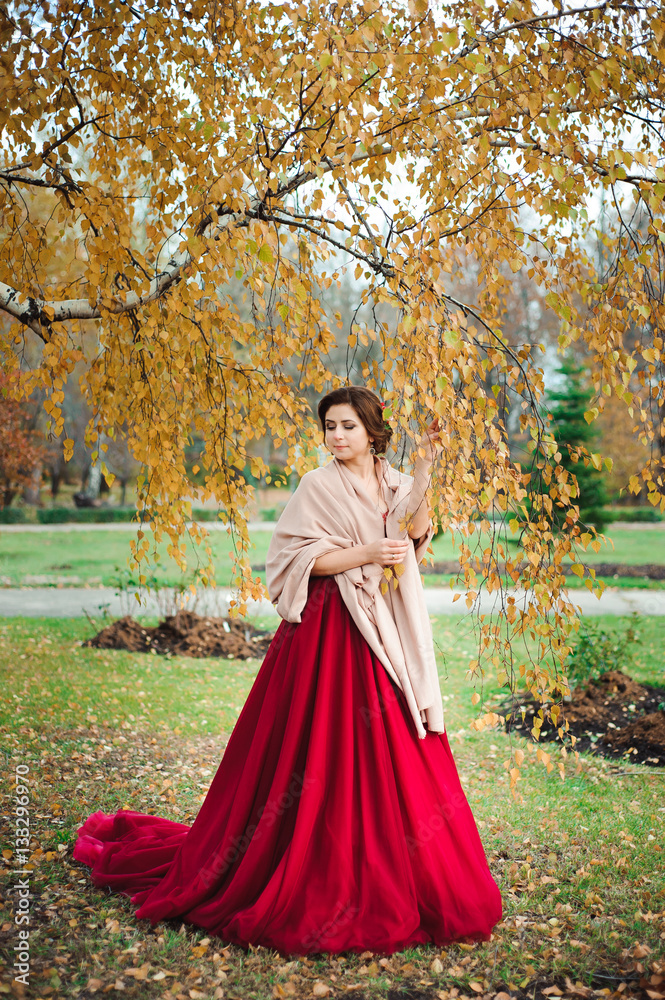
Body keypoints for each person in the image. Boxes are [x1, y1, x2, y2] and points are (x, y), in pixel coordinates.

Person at [72, 385, 502, 956]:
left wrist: (425, 465)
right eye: (329, 426)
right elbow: (297, 559)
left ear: (372, 430)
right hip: (326, 632)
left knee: (389, 746)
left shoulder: (393, 480)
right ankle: (306, 862)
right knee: (316, 747)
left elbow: (414, 529)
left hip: (382, 630)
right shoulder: (317, 485)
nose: (336, 436)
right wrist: (367, 554)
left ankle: (395, 868)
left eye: (347, 425)